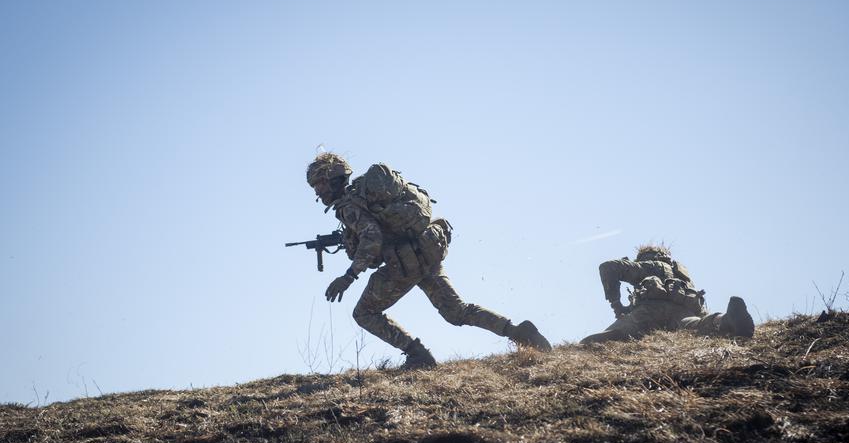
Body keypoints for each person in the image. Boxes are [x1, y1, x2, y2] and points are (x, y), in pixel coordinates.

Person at [306, 151, 552, 370]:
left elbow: (372, 237)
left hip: (403, 265)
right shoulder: (366, 193)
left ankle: (417, 355)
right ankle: (518, 332)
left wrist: (348, 277)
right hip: (425, 251)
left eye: (319, 184)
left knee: (364, 313)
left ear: (333, 180)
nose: (318, 192)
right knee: (457, 311)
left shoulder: (349, 206)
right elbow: (377, 233)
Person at [581, 244, 754, 344]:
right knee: (694, 325)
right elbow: (700, 309)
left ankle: (570, 352)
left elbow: (607, 267)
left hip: (648, 311)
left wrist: (616, 305)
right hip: (682, 310)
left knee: (606, 338)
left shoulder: (649, 265)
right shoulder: (682, 276)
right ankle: (727, 320)